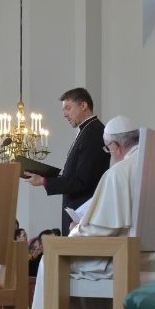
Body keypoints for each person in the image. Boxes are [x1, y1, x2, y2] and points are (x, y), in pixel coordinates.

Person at [28, 116, 155, 309]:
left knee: (52, 261)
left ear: (115, 147)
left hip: (126, 262)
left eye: (107, 149)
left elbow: (99, 231)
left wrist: (78, 227)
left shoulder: (118, 174)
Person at [25, 88, 110, 235]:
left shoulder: (93, 133)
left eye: (68, 108)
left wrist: (45, 181)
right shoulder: (87, 131)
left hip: (83, 214)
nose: (65, 114)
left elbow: (83, 181)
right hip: (78, 212)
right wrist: (46, 177)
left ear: (83, 106)